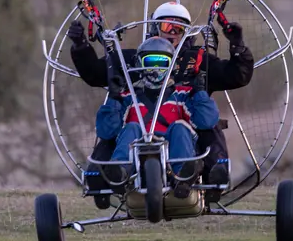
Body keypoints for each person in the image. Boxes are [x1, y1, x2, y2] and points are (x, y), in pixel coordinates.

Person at [69, 0, 254, 207]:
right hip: (139, 127)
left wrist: (237, 46)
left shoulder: (199, 60)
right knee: (123, 128)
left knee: (202, 126)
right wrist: (81, 46)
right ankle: (108, 175)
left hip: (190, 123)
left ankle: (210, 174)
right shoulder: (134, 58)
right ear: (156, 27)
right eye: (168, 26)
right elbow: (94, 73)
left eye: (179, 28)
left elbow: (237, 76)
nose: (173, 32)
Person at [94, 36, 220, 199]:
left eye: (161, 63)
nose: (155, 68)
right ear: (140, 64)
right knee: (132, 127)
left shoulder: (181, 95)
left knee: (180, 126)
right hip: (138, 148)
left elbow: (207, 121)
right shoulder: (128, 97)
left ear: (171, 66)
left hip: (173, 145)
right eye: (150, 62)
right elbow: (106, 131)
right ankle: (120, 172)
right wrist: (114, 98)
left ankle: (183, 175)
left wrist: (199, 92)